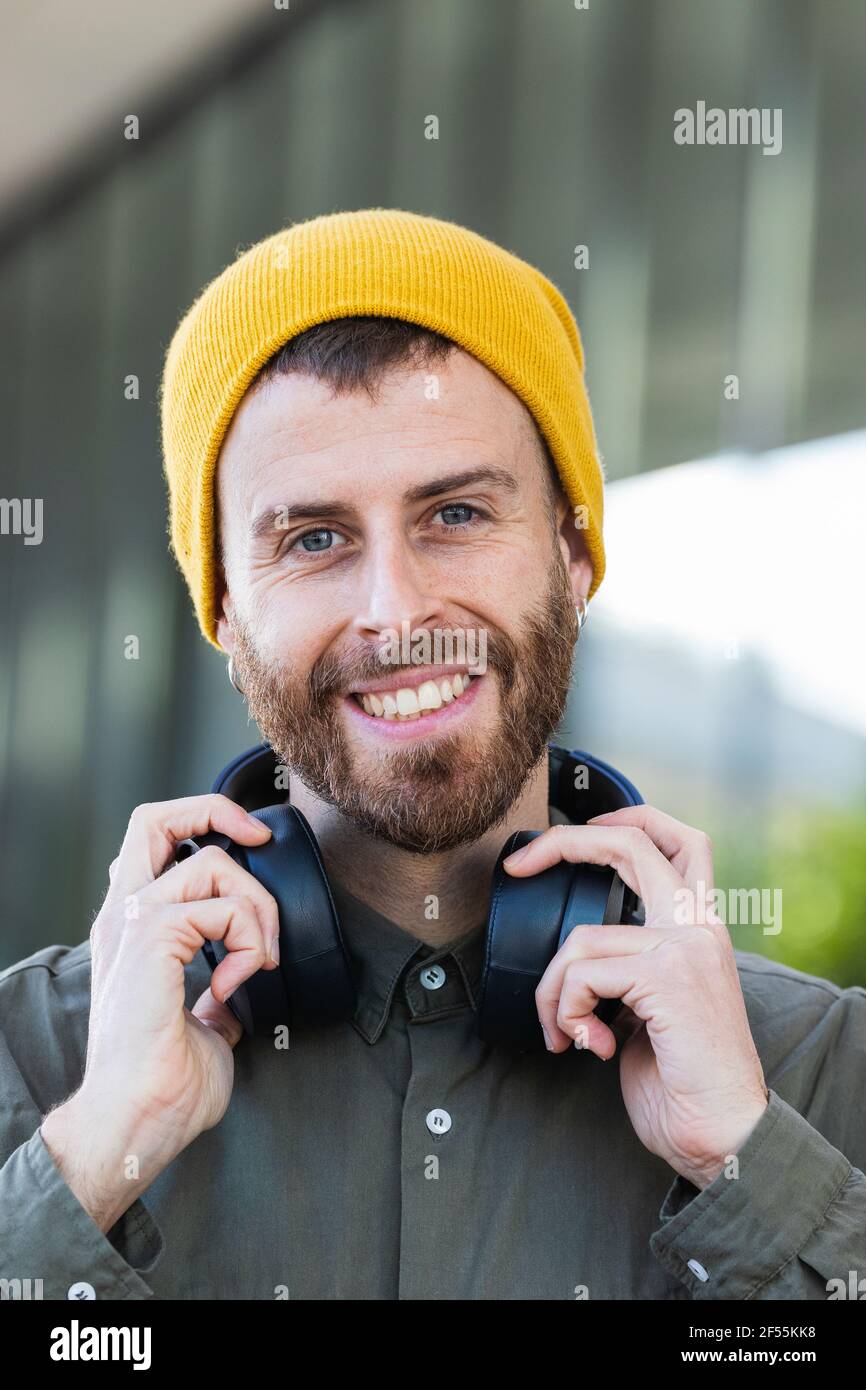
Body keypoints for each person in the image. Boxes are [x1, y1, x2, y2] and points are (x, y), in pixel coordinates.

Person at [1, 209, 864, 1301]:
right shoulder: (35, 1066)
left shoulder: (818, 1068)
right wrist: (92, 1155)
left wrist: (747, 1166)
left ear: (574, 552)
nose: (395, 615)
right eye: (312, 539)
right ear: (223, 613)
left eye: (454, 512)